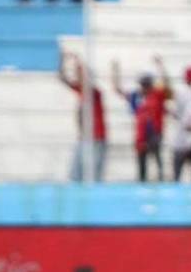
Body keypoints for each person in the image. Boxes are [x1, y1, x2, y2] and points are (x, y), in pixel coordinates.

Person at [112, 57, 173, 182]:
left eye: (147, 84)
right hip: (140, 135)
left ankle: (161, 180)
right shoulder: (135, 96)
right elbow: (118, 90)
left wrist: (161, 67)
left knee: (157, 158)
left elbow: (167, 87)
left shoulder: (157, 94)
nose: (145, 87)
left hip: (155, 132)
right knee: (141, 164)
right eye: (143, 84)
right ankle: (142, 183)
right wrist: (115, 71)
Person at [57, 50, 107, 182]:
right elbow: (62, 79)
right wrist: (62, 60)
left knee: (94, 175)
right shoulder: (81, 92)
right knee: (75, 174)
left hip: (97, 137)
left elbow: (85, 79)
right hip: (84, 137)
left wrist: (78, 61)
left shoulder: (95, 93)